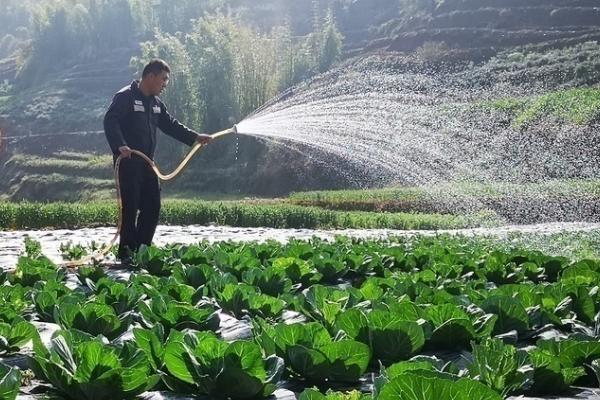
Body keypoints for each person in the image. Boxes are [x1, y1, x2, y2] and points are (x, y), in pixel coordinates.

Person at [104, 59, 212, 266]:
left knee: (153, 205)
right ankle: (126, 253)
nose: (165, 84)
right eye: (163, 79)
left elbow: (171, 125)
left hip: (147, 164)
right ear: (150, 76)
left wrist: (195, 137)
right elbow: (110, 120)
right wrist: (120, 145)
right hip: (128, 162)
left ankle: (142, 250)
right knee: (131, 206)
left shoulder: (155, 104)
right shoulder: (125, 96)